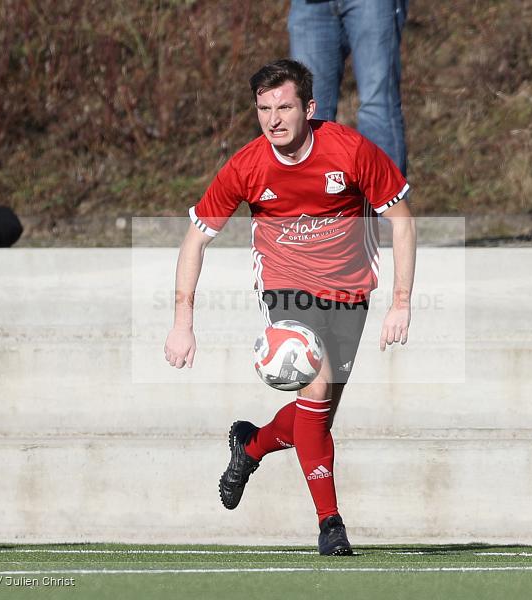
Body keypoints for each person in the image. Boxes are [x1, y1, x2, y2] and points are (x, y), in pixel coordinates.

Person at [163, 59, 416, 556]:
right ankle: (331, 525)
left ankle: (251, 444)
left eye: (284, 107)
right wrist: (181, 323)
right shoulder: (248, 165)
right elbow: (195, 239)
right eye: (263, 108)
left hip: (349, 292)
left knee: (315, 417)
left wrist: (400, 303)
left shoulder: (351, 151)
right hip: (285, 287)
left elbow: (403, 223)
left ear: (309, 108)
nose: (273, 119)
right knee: (316, 387)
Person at [289, 0, 409, 175]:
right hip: (309, 5)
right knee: (308, 111)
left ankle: (385, 200)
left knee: (377, 106)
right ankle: (315, 197)